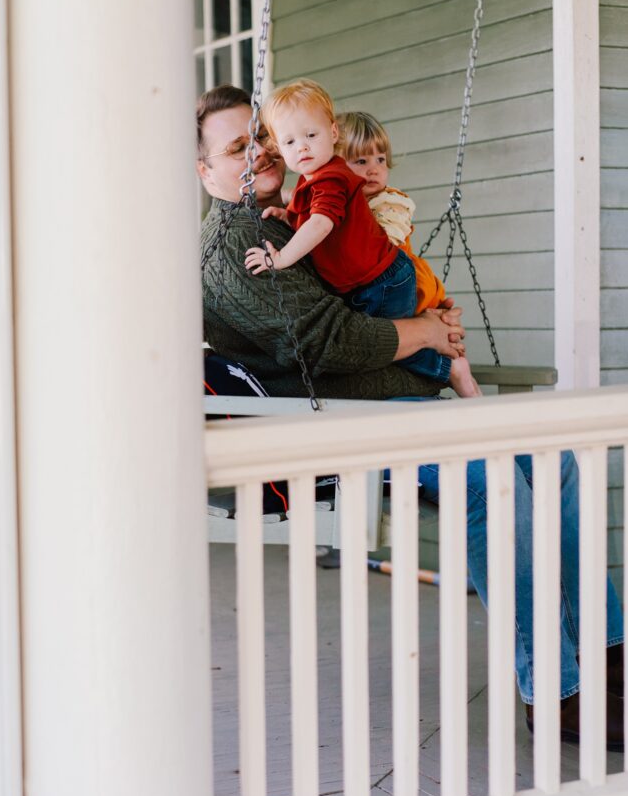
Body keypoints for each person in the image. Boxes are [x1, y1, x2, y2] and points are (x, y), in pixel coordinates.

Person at [197, 83, 624, 750]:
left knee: (558, 460)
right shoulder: (230, 246)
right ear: (204, 171)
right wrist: (425, 333)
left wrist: (426, 311)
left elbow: (366, 289)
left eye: (259, 137)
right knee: (488, 480)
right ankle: (555, 690)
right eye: (234, 147)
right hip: (335, 419)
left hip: (393, 400)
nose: (256, 153)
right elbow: (327, 342)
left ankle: (609, 654)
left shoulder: (291, 209)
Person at [243, 79, 478, 397]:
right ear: (279, 149)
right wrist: (289, 216)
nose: (302, 147)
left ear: (333, 134)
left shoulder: (332, 178)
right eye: (290, 142)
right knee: (378, 346)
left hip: (381, 281)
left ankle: (448, 368)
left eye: (311, 135)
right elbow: (312, 216)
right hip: (370, 281)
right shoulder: (313, 181)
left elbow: (322, 224)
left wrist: (281, 257)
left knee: (377, 346)